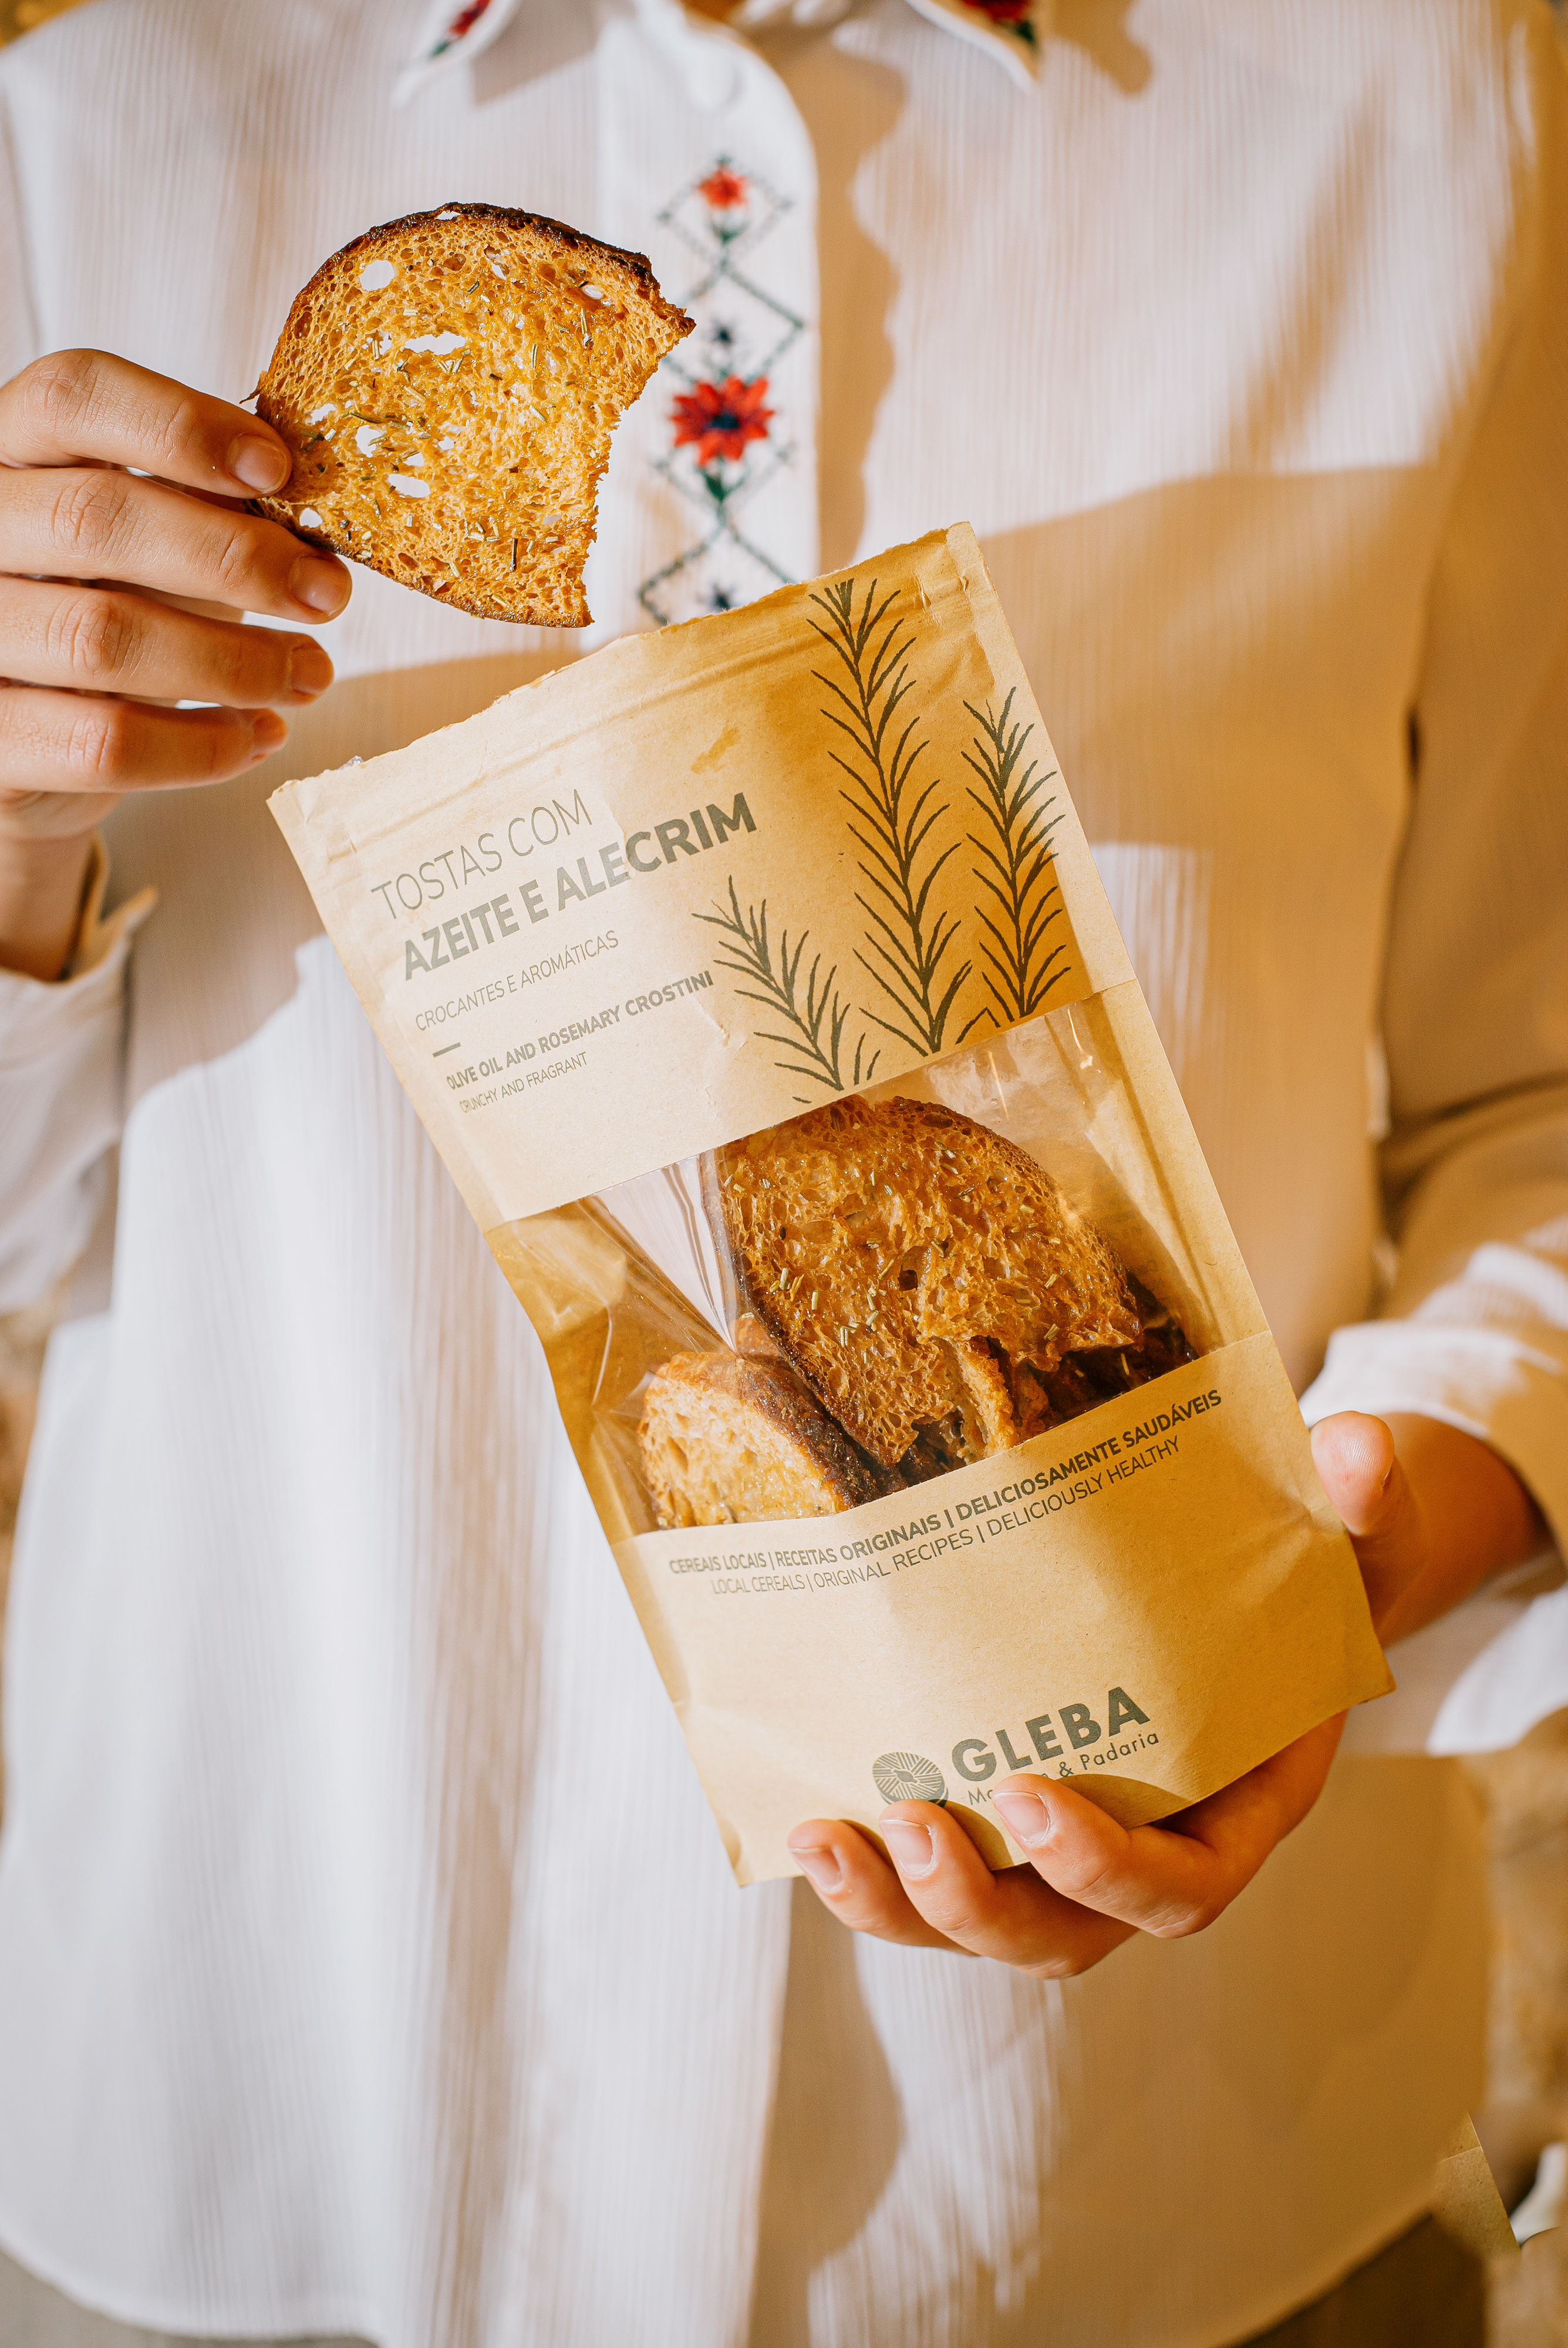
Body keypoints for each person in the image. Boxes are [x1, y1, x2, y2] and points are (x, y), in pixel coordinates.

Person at [0, 1, 1563, 2342]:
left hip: (1155, 2183)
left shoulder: (1429, 101)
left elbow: (1527, 1094)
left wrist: (1348, 1543)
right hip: (257, 2105)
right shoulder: (88, 126)